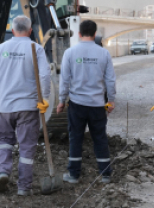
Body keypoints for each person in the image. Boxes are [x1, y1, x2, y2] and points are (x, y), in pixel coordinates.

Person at [0, 15, 51, 196]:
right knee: (26, 147)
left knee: (4, 142)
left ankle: (4, 171)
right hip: (28, 107)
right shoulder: (35, 48)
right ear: (30, 31)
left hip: (5, 107)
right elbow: (44, 76)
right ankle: (23, 187)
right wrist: (44, 97)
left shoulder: (1, 48)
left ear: (12, 30)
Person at [57, 20, 116, 183]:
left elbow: (64, 80)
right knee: (100, 138)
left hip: (77, 104)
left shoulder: (70, 53)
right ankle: (105, 174)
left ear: (79, 34)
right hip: (97, 105)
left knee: (75, 137)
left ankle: (74, 174)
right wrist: (110, 101)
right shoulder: (103, 54)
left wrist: (61, 100)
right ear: (95, 34)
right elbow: (110, 80)